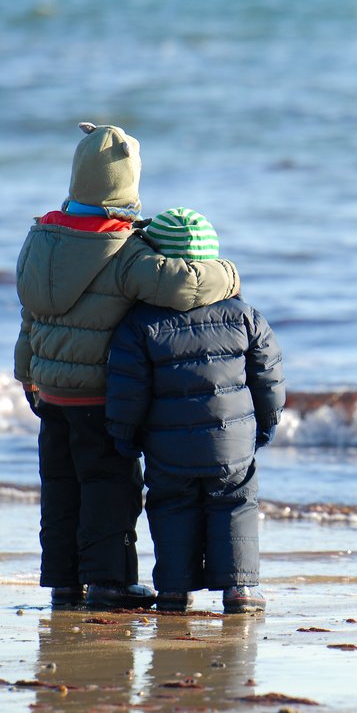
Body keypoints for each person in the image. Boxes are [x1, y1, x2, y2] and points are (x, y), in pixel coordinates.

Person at [14, 124, 242, 610]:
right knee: (110, 488)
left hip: (49, 389)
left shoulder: (40, 237)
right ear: (127, 188)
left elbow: (30, 313)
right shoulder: (124, 249)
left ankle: (64, 582)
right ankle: (108, 582)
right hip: (100, 393)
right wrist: (230, 272)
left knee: (60, 487)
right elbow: (182, 286)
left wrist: (26, 373)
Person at [105, 207, 285, 615]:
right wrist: (268, 421)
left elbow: (127, 388)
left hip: (167, 445)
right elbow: (268, 377)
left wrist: (124, 432)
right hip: (232, 442)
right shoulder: (244, 315)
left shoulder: (139, 323)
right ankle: (239, 589)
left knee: (171, 506)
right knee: (235, 503)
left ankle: (172, 590)